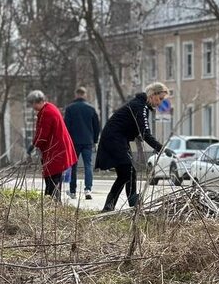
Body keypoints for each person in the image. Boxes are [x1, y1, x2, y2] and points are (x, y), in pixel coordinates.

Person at [95, 82, 173, 212]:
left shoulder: (141, 105)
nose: (160, 103)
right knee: (128, 171)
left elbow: (137, 129)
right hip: (114, 138)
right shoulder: (140, 106)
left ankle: (114, 205)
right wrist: (162, 149)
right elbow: (145, 133)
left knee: (126, 173)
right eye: (160, 99)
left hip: (118, 138)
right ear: (152, 95)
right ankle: (131, 201)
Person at [28, 90, 77, 199]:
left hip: (55, 150)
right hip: (57, 148)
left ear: (38, 102)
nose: (32, 107)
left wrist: (32, 146)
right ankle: (54, 203)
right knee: (54, 179)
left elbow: (42, 135)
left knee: (52, 179)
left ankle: (52, 203)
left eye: (33, 104)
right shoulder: (49, 107)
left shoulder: (46, 113)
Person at [63, 87, 101, 200]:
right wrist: (94, 140)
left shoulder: (70, 108)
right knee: (88, 166)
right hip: (88, 141)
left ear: (76, 95)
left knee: (72, 166)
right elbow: (96, 127)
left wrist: (67, 141)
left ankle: (73, 191)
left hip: (73, 142)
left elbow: (66, 126)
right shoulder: (91, 109)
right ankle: (88, 189)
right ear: (85, 95)